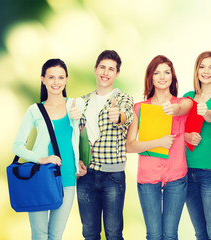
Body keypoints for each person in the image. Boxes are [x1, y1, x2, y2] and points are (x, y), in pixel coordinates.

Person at [12, 58, 86, 239]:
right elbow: (17, 146)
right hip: (40, 177)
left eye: (61, 77)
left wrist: (77, 115)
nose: (56, 82)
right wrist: (42, 159)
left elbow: (80, 113)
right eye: (51, 77)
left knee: (56, 235)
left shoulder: (75, 105)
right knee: (39, 234)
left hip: (67, 178)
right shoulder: (34, 111)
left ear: (66, 79)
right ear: (43, 79)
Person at [126, 55, 193, 240]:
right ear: (150, 77)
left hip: (176, 176)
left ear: (173, 76)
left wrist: (174, 110)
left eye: (167, 72)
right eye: (157, 72)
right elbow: (130, 146)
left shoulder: (182, 104)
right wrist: (158, 142)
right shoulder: (139, 108)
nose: (162, 77)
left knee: (170, 235)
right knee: (154, 235)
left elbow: (186, 107)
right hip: (148, 177)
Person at [76, 50, 134, 240]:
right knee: (89, 233)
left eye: (111, 69)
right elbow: (74, 137)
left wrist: (118, 116)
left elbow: (126, 116)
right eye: (102, 67)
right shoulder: (82, 102)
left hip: (112, 176)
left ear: (117, 74)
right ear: (95, 69)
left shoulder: (123, 99)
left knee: (114, 234)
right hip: (86, 176)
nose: (106, 72)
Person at [183, 51, 211, 240]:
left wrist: (206, 112)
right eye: (202, 66)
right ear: (196, 70)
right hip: (186, 170)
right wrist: (186, 135)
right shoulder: (187, 96)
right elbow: (175, 130)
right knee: (200, 233)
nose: (206, 71)